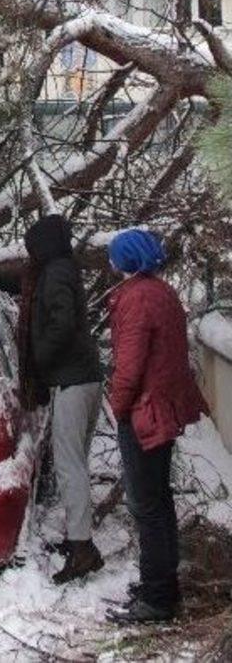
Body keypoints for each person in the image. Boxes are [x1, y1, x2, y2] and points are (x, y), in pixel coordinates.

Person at [0, 214, 104, 584]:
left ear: (43, 245)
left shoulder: (57, 273)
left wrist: (38, 358)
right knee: (75, 463)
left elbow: (62, 321)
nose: (30, 253)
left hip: (73, 381)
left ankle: (83, 550)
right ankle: (79, 539)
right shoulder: (56, 269)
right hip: (81, 379)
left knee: (69, 465)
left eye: (32, 246)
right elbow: (26, 283)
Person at [105, 229, 208, 626]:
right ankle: (161, 585)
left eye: (114, 256)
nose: (110, 262)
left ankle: (157, 597)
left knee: (146, 506)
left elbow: (129, 367)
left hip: (145, 412)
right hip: (163, 408)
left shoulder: (135, 299)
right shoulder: (162, 292)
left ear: (127, 260)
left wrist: (118, 407)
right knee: (159, 502)